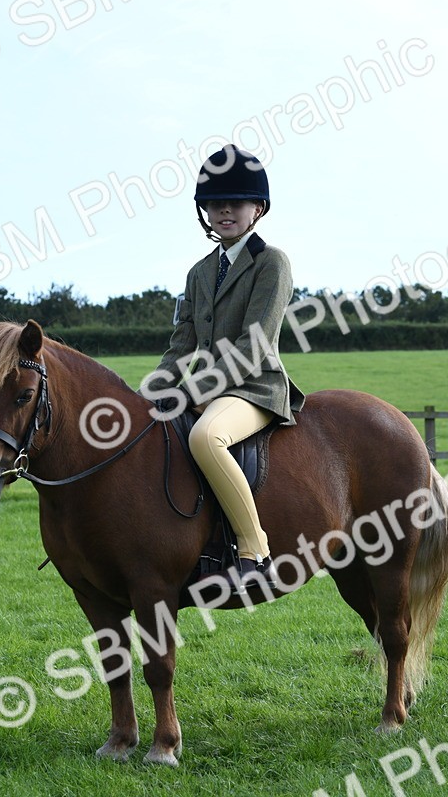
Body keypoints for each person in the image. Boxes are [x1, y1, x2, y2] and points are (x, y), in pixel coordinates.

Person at [147, 144, 305, 592]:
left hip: (254, 388)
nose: (224, 211)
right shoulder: (198, 272)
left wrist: (195, 390)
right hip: (208, 389)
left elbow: (254, 345)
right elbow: (182, 342)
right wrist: (149, 393)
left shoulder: (271, 262)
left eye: (234, 203)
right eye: (215, 204)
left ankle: (254, 553)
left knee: (205, 436)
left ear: (257, 208)